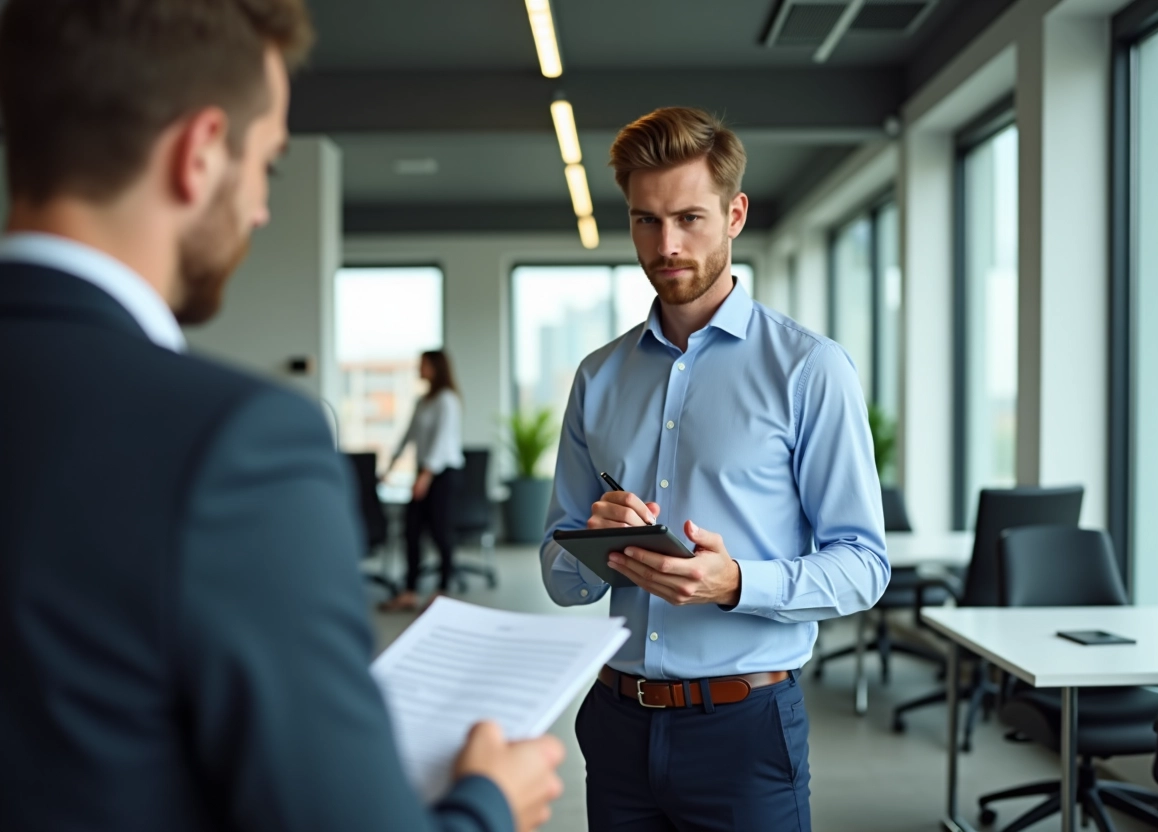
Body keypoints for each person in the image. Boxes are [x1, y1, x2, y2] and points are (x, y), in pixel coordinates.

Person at [0, 2, 562, 831]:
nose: (261, 209)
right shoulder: (237, 445)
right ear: (198, 156)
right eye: (266, 166)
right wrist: (487, 804)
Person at [540, 107, 890, 831]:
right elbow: (556, 570)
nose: (665, 246)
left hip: (745, 729)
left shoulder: (808, 370)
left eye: (689, 219)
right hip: (616, 726)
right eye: (645, 221)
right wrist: (595, 549)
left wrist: (738, 583)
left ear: (734, 214)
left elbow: (863, 566)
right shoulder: (597, 377)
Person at [380, 349, 465, 612]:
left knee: (440, 531)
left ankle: (443, 588)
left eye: (424, 364)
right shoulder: (423, 401)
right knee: (412, 530)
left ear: (436, 368)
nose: (419, 368)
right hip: (423, 473)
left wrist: (426, 476)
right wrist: (391, 465)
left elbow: (441, 442)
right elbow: (409, 435)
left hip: (442, 474)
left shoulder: (447, 400)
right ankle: (410, 591)